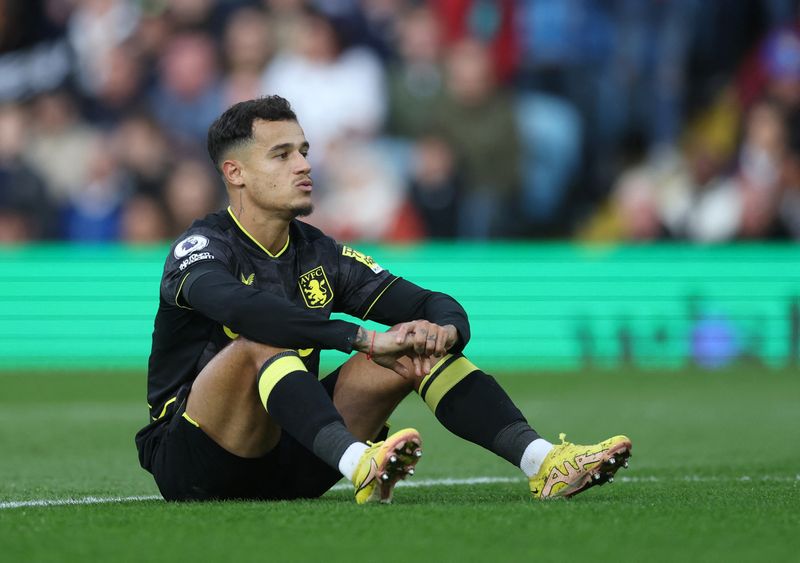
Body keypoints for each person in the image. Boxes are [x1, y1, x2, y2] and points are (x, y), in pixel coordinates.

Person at [134, 96, 632, 504]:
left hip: (294, 460)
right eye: (282, 154)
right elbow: (245, 311)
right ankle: (360, 464)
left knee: (414, 341)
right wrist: (360, 338)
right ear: (235, 173)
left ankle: (544, 462)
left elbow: (434, 303)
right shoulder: (199, 249)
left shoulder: (319, 252)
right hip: (195, 461)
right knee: (257, 342)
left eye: (304, 150)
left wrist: (444, 332)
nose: (305, 165)